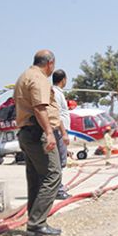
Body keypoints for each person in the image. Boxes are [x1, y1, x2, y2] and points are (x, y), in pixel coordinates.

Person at [14, 50, 68, 236]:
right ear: (50, 64)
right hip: (38, 132)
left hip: (27, 132)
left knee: (36, 178)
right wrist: (49, 133)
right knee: (53, 174)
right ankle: (37, 223)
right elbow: (39, 107)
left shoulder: (24, 76)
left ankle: (34, 220)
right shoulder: (39, 79)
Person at [51, 69, 71, 200]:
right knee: (59, 162)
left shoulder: (57, 93)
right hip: (58, 131)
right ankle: (57, 190)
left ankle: (58, 186)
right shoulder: (56, 94)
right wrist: (63, 133)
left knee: (60, 161)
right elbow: (56, 114)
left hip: (59, 131)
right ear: (63, 79)